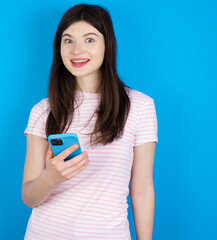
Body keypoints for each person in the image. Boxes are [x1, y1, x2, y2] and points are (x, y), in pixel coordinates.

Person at [21, 3, 158, 240]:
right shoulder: (43, 111)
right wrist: (50, 177)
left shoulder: (139, 106)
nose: (77, 50)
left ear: (108, 45)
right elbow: (29, 197)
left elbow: (142, 189)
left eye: (90, 39)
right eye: (68, 40)